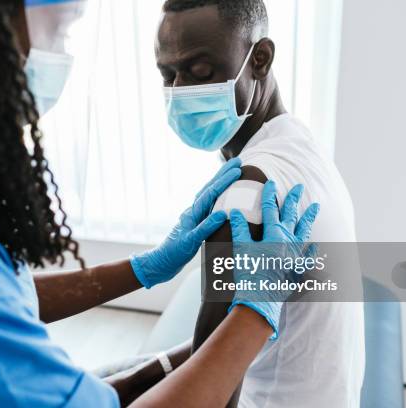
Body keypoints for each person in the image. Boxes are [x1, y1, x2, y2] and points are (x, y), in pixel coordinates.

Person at [0, 1, 320, 407]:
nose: (61, 56)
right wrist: (256, 313)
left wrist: (144, 268)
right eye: (63, 31)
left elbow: (4, 295)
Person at [155, 0, 365, 407]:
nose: (180, 93)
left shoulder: (246, 198)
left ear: (260, 59)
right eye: (167, 74)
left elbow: (206, 397)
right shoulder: (299, 142)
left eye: (200, 72)